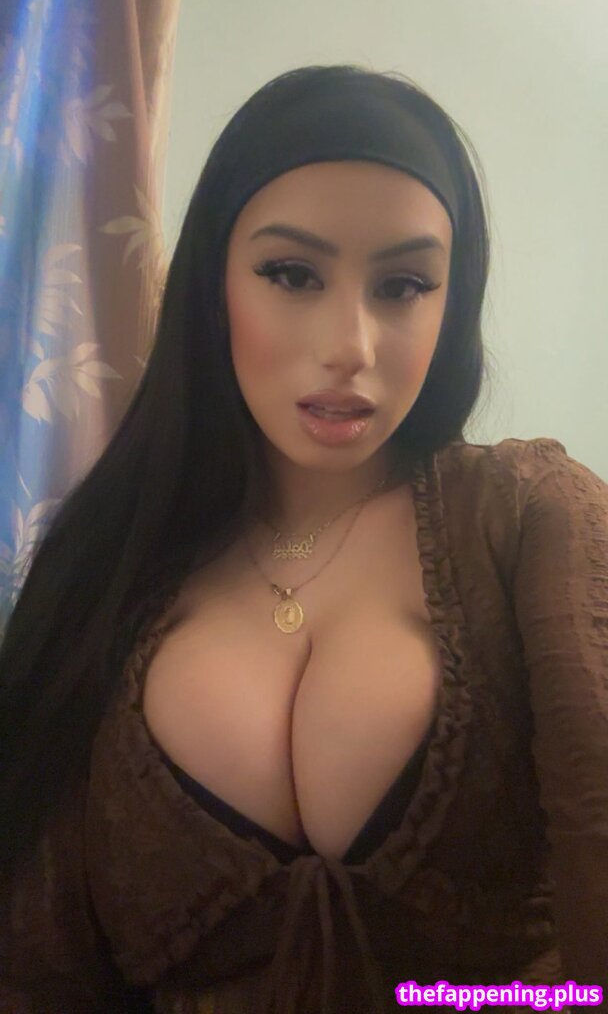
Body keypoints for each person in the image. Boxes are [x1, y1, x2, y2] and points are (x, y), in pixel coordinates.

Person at [0, 64, 606, 1014]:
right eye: (292, 274)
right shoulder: (108, 570)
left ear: (452, 304)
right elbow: (38, 969)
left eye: (403, 285)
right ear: (213, 285)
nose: (350, 345)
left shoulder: (532, 518)